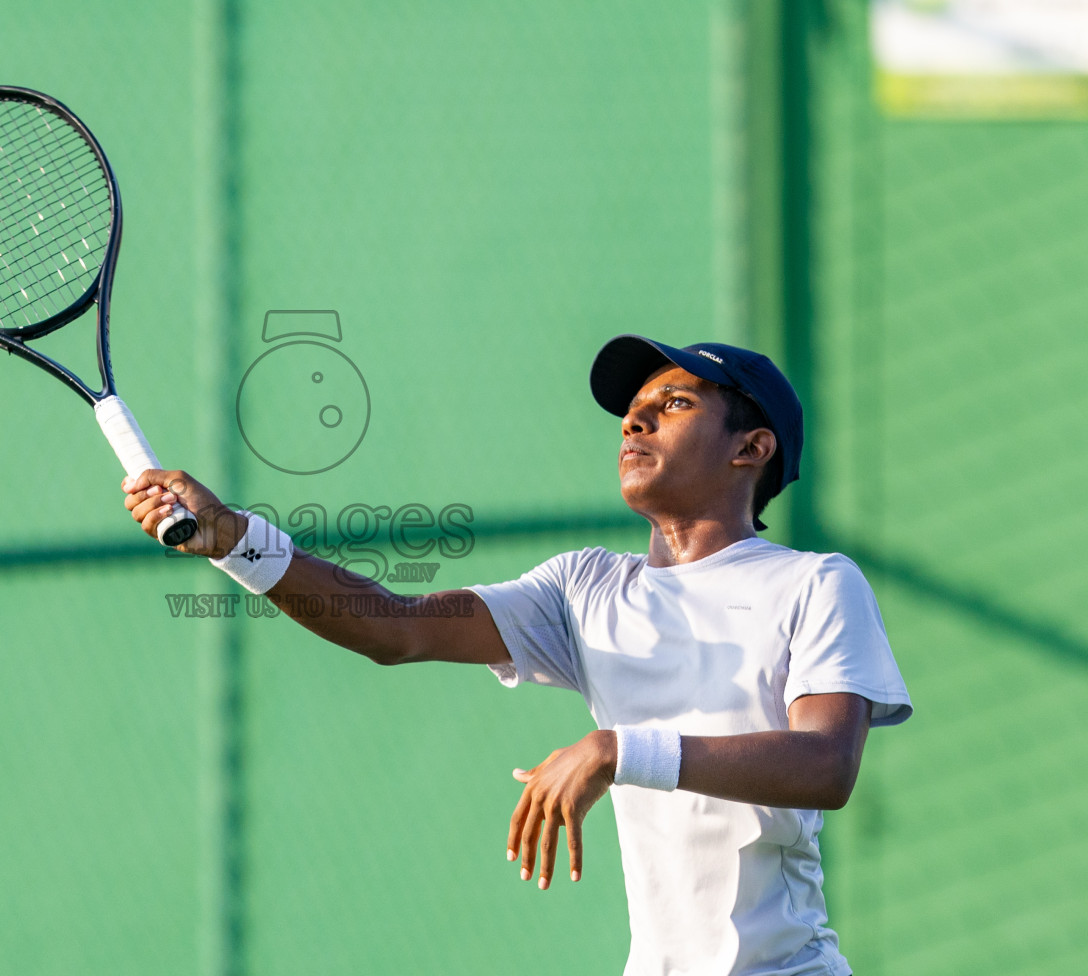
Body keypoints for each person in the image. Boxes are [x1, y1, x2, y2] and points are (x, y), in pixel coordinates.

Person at [121, 334, 911, 976]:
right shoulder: (584, 587)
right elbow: (395, 627)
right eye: (631, 414)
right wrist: (235, 540)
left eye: (672, 405)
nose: (636, 425)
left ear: (753, 448)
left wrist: (617, 749)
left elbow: (825, 766)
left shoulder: (814, 583)